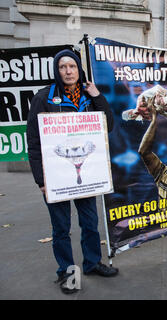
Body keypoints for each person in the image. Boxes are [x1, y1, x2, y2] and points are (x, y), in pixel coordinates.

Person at [26, 49, 118, 294]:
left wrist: (98, 96)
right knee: (61, 228)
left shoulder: (88, 97)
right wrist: (41, 181)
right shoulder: (44, 98)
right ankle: (66, 272)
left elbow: (107, 125)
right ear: (57, 71)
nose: (68, 71)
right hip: (56, 176)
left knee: (90, 223)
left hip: (86, 175)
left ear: (79, 70)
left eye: (72, 66)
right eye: (62, 67)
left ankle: (91, 263)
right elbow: (34, 143)